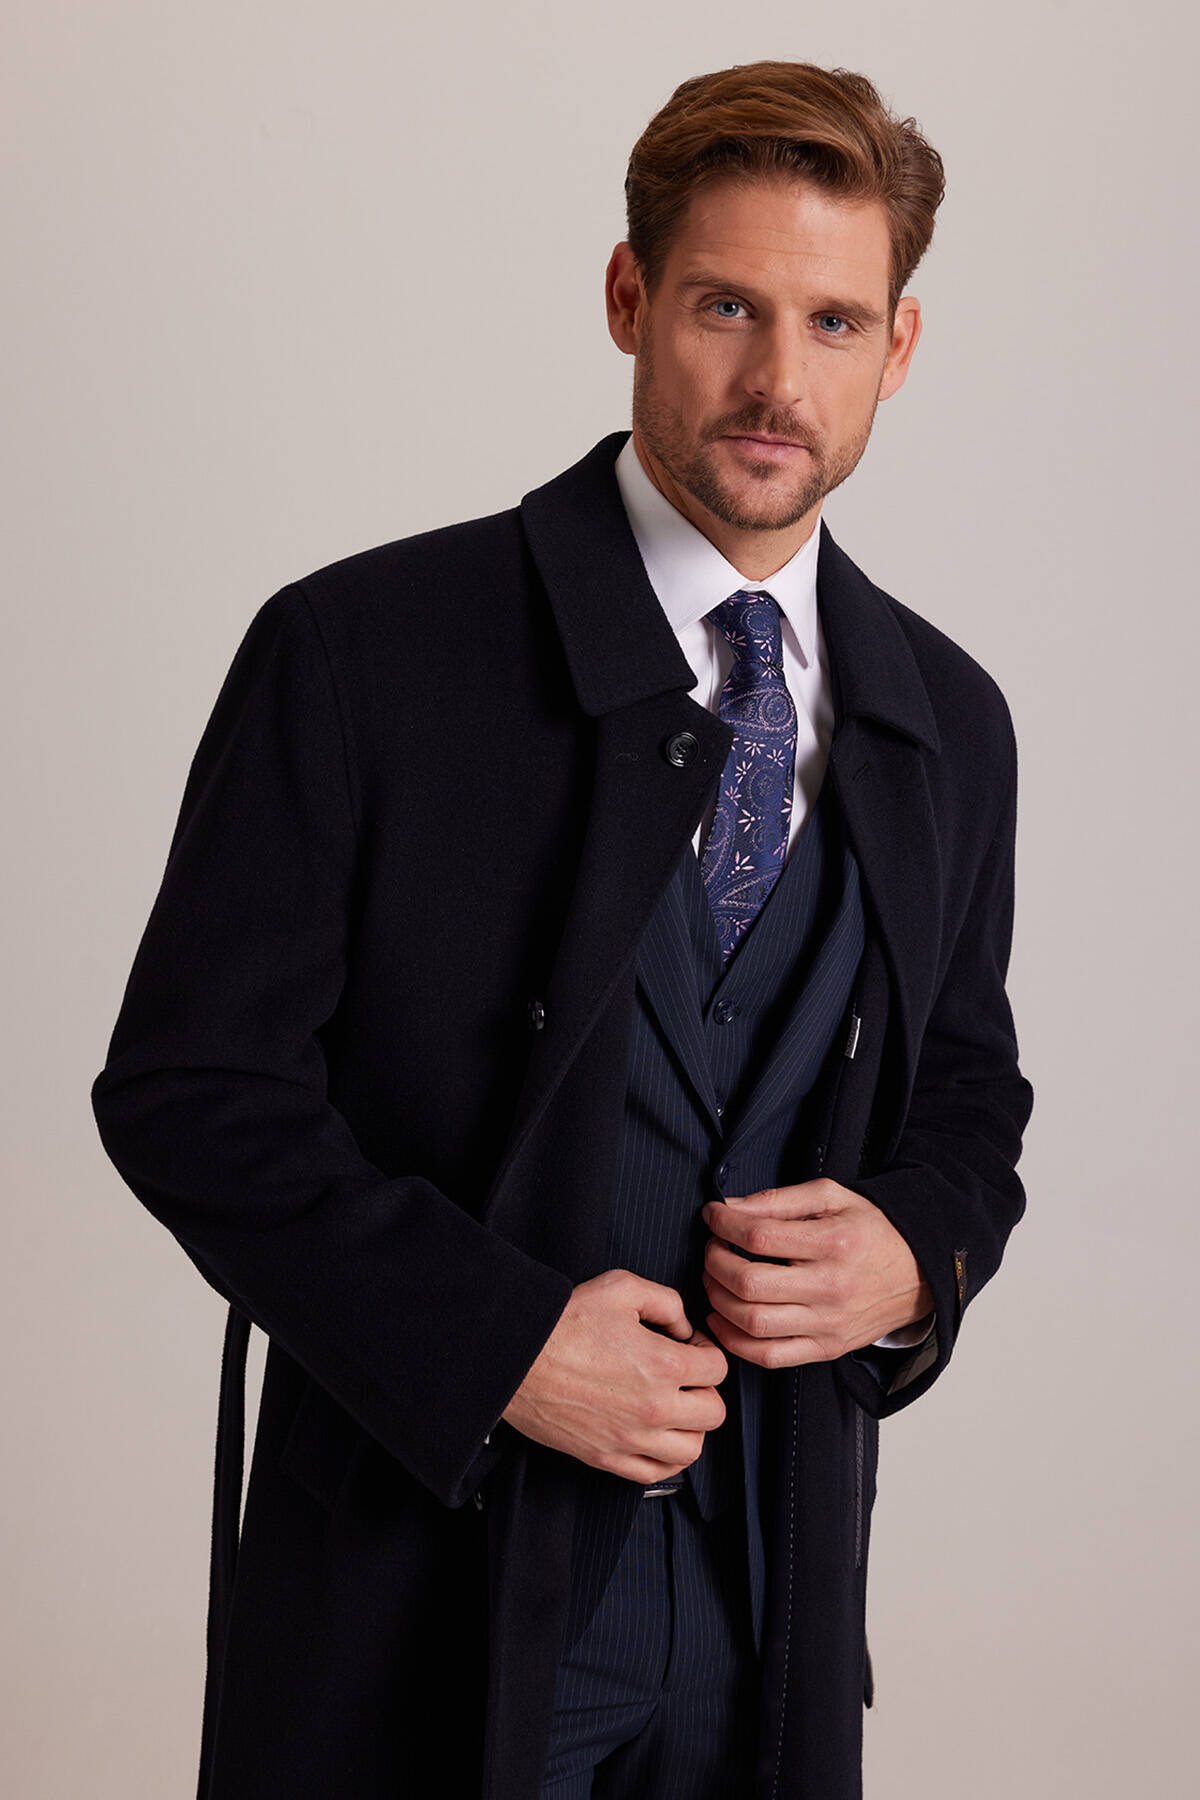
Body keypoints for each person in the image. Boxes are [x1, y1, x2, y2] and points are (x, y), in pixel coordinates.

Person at [91, 58, 1033, 1800]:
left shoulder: (946, 720)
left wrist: (917, 1253)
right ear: (627, 298)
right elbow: (189, 1090)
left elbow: (973, 1094)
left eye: (834, 322)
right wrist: (496, 1345)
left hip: (773, 1610)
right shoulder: (360, 652)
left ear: (899, 346)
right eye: (727, 306)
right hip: (418, 1597)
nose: (778, 380)